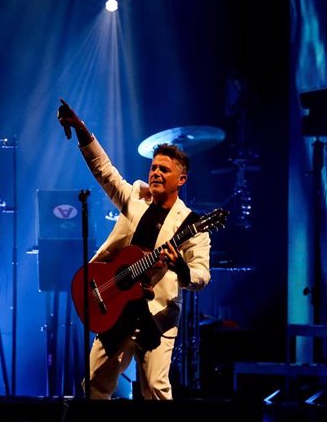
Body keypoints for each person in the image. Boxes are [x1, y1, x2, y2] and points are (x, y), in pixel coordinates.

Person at [56, 98, 211, 400]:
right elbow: (105, 171)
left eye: (164, 170)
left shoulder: (192, 224)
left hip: (156, 317)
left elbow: (202, 276)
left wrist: (180, 268)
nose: (155, 173)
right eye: (153, 168)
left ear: (181, 179)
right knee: (94, 388)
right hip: (114, 305)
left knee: (154, 390)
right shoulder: (135, 201)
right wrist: (81, 130)